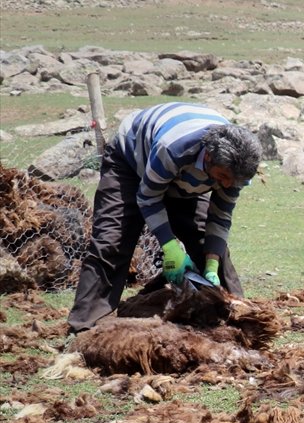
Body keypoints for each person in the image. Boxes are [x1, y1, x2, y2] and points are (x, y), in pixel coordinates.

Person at [67, 102, 261, 333]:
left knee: (206, 242)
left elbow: (220, 216)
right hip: (131, 163)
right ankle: (85, 327)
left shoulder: (236, 170)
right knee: (112, 241)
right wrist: (170, 247)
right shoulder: (174, 148)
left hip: (186, 176)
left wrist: (211, 263)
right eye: (223, 177)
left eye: (234, 181)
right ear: (209, 157)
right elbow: (148, 197)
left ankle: (237, 321)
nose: (227, 185)